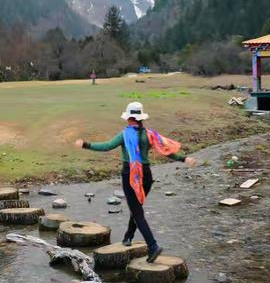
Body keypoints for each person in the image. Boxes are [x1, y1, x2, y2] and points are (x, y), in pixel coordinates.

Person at [75, 101, 197, 263]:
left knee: (137, 212)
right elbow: (166, 151)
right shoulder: (150, 134)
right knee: (136, 207)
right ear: (140, 118)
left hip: (131, 175)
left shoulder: (125, 135)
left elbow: (106, 146)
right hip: (146, 175)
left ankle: (153, 246)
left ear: (129, 118)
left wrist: (85, 144)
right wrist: (184, 158)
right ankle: (128, 236)